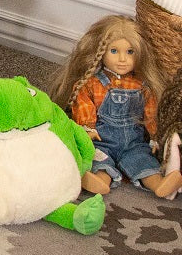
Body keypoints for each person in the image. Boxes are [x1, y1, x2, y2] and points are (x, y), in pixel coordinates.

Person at [48, 15, 182, 198]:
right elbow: (84, 105)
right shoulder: (93, 84)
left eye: (130, 52)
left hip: (134, 143)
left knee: (144, 163)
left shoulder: (143, 86)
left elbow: (151, 113)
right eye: (114, 51)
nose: (122, 59)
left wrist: (155, 136)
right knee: (100, 161)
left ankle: (160, 185)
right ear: (100, 53)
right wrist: (87, 127)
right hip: (102, 140)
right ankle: (98, 182)